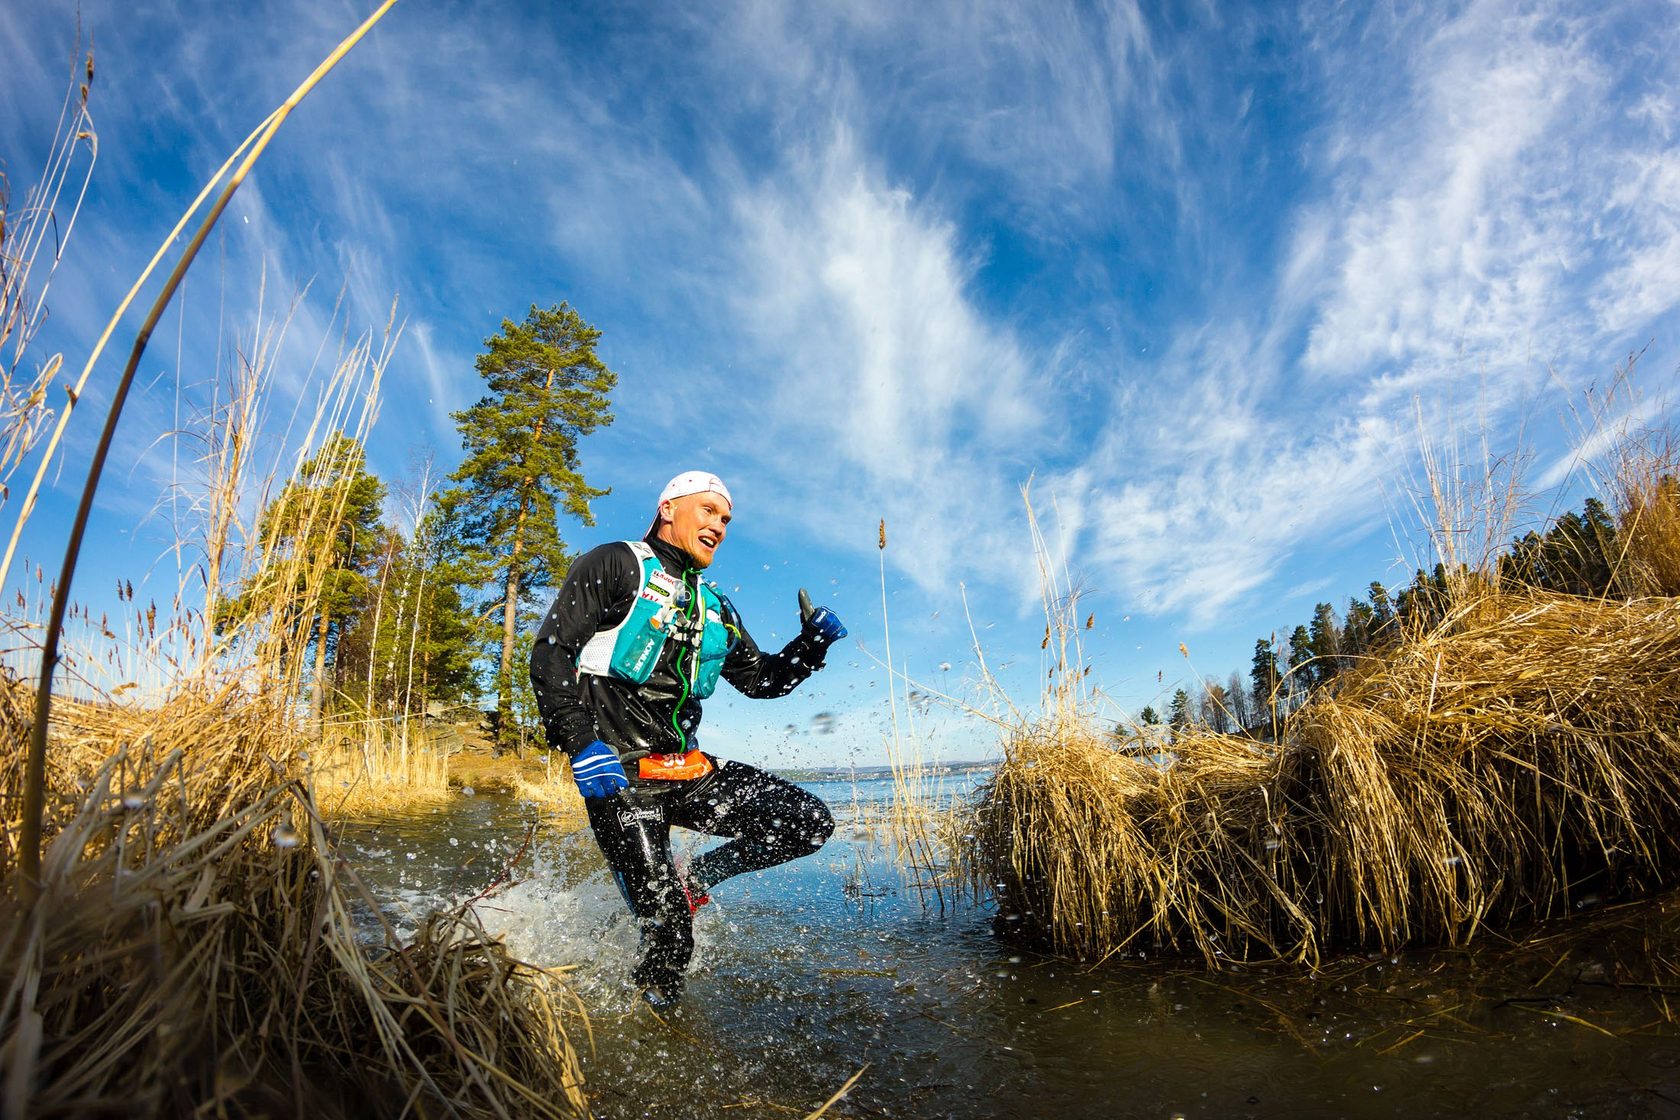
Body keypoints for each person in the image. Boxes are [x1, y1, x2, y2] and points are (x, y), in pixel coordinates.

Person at [529, 470, 846, 1006]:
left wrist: (809, 648)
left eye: (726, 519)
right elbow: (551, 652)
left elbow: (760, 681)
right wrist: (581, 742)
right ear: (669, 508)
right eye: (709, 511)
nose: (719, 525)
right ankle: (653, 1030)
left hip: (685, 769)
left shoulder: (715, 603)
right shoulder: (616, 563)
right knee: (672, 937)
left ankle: (693, 878)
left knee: (807, 822)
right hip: (620, 776)